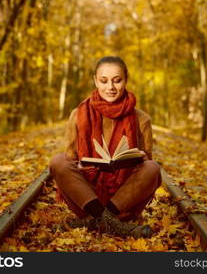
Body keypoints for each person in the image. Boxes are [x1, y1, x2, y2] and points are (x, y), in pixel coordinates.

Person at [49, 56, 162, 239]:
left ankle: (100, 220)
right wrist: (78, 166)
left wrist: (140, 157)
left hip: (124, 199)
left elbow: (147, 167)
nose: (110, 87)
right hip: (87, 197)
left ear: (126, 80)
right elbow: (69, 159)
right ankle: (109, 221)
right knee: (58, 161)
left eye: (117, 81)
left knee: (153, 168)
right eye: (104, 81)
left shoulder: (142, 119)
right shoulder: (78, 115)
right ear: (95, 80)